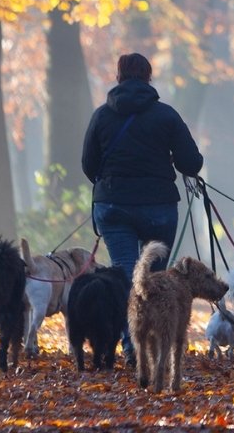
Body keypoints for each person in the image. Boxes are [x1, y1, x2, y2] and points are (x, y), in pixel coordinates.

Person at [81, 51, 204, 364]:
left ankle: (132, 346)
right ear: (148, 77)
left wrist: (111, 181)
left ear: (119, 76)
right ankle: (153, 346)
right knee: (156, 278)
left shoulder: (102, 116)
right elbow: (191, 162)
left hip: (113, 206)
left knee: (126, 275)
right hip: (158, 207)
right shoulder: (166, 116)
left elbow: (88, 164)